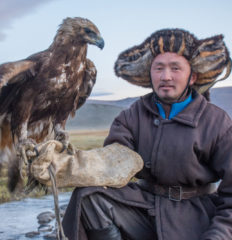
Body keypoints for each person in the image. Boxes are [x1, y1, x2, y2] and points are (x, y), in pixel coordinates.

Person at [31, 29, 232, 240]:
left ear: (193, 77)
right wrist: (68, 165)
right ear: (150, 73)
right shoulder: (133, 114)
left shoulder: (216, 122)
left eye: (176, 68)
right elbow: (114, 160)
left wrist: (218, 236)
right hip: (145, 207)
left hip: (196, 216)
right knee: (90, 197)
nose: (166, 76)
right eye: (158, 68)